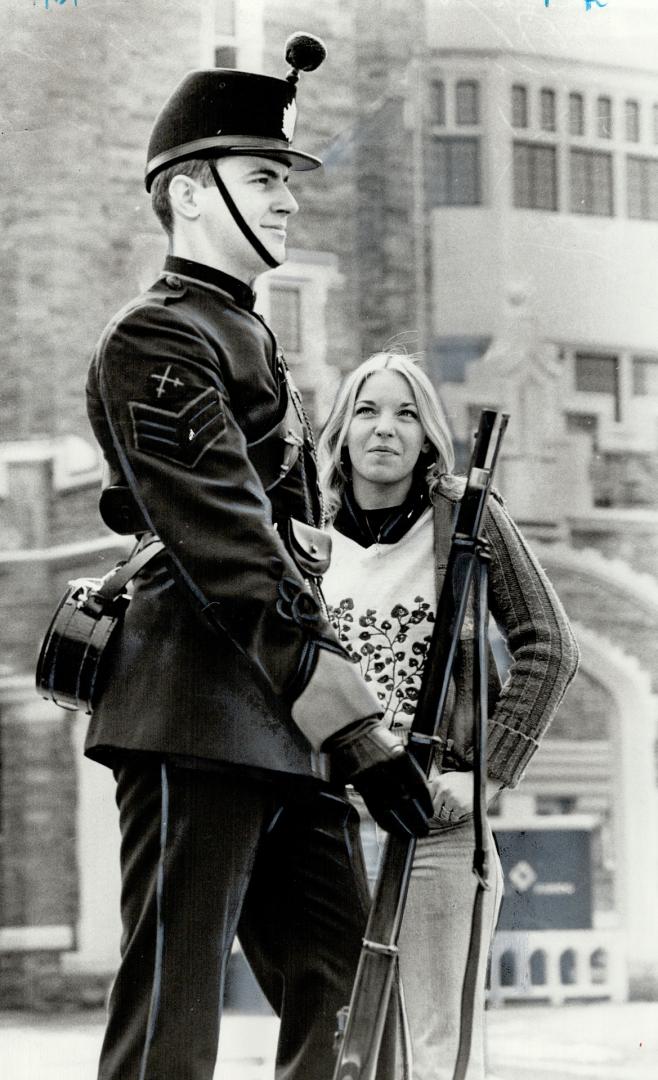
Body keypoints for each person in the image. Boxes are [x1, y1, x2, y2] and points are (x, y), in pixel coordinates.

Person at [84, 41, 433, 1080]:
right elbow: (235, 549)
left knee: (346, 994)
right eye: (265, 179)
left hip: (282, 722)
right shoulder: (156, 338)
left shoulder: (244, 336)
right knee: (172, 1016)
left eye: (286, 182)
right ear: (189, 194)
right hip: (196, 710)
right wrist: (358, 729)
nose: (288, 203)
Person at [318, 351, 580, 1080]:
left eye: (406, 413)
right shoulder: (304, 532)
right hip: (327, 821)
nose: (384, 430)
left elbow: (549, 646)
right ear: (340, 431)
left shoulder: (465, 519)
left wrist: (487, 778)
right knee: (343, 1046)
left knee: (435, 1053)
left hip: (436, 820)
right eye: (367, 411)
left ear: (429, 436)